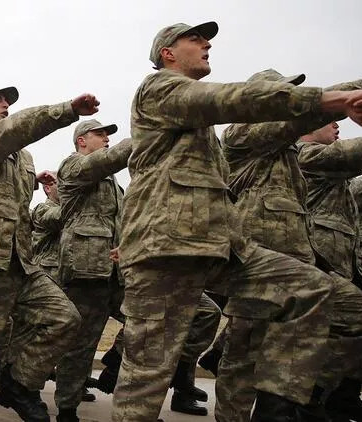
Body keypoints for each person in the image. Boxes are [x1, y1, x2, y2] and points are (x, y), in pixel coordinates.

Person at [114, 20, 362, 422]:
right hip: (166, 248)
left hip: (221, 246)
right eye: (195, 39)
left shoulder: (205, 132)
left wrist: (347, 93)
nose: (207, 44)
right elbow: (234, 99)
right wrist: (332, 98)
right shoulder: (158, 89)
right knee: (148, 374)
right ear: (167, 53)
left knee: (309, 287)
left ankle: (277, 410)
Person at [0, 85, 98, 422]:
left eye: (7, 102)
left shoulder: (23, 158)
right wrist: (67, 110)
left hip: (21, 263)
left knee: (64, 318)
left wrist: (33, 179)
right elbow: (12, 131)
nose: (5, 105)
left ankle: (17, 382)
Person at [219, 69, 362, 421]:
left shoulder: (288, 157)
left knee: (354, 310)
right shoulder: (241, 135)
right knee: (243, 358)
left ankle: (302, 401)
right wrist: (350, 92)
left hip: (299, 267)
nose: (287, 99)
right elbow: (300, 117)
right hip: (255, 265)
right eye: (280, 94)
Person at [53, 119, 130, 422]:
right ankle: (67, 408)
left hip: (115, 271)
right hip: (85, 269)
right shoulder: (72, 166)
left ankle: (116, 358)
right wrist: (147, 135)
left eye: (108, 135)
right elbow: (105, 161)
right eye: (100, 134)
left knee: (147, 320)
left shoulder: (113, 182)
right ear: (82, 140)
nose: (107, 139)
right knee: (82, 344)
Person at [298, 123, 362, 421]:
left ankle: (336, 398)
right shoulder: (306, 155)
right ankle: (308, 398)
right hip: (313, 268)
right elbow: (351, 155)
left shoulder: (332, 171)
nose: (338, 125)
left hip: (336, 268)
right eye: (331, 119)